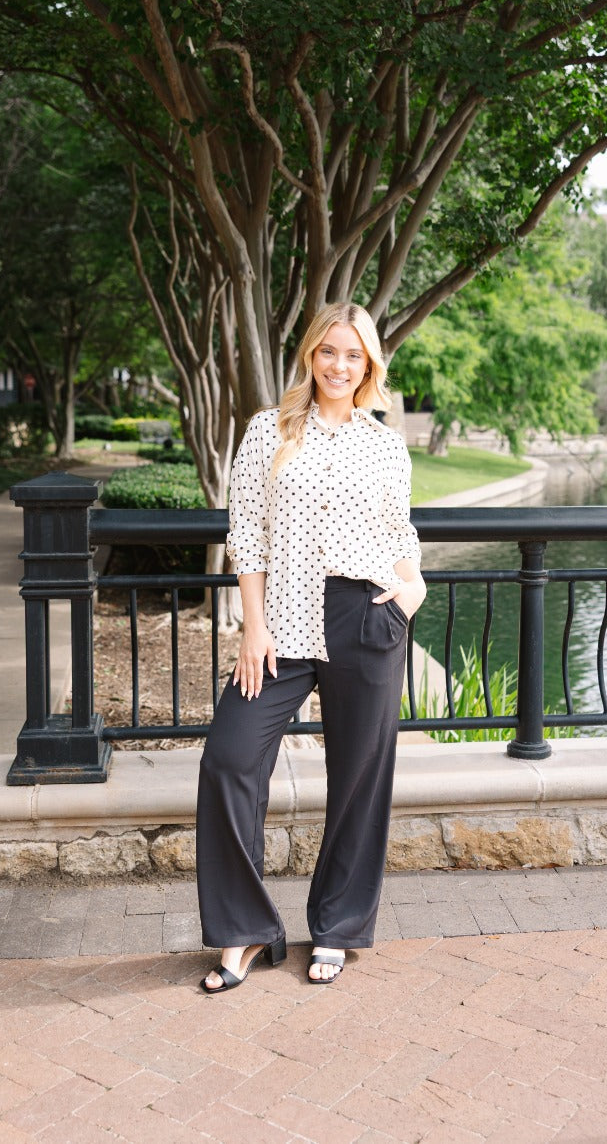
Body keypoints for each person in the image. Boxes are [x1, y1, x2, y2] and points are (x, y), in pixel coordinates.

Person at [196, 302, 426, 992]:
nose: (339, 365)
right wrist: (252, 627)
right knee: (230, 758)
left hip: (367, 618)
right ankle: (245, 930)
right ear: (310, 355)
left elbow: (400, 535)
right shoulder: (268, 430)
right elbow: (247, 533)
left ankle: (337, 928)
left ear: (369, 365)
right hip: (281, 622)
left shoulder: (385, 445)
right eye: (329, 351)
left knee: (358, 780)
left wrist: (409, 596)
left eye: (354, 355)